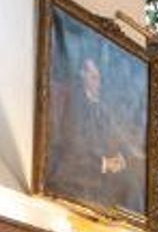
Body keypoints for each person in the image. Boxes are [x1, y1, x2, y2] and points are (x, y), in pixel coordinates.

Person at [48, 50, 142, 214]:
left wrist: (124, 158)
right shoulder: (74, 103)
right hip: (78, 167)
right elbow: (74, 144)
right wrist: (104, 163)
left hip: (100, 167)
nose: (97, 83)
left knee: (133, 185)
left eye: (99, 78)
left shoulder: (101, 108)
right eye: (93, 77)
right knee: (127, 189)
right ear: (82, 75)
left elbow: (119, 137)